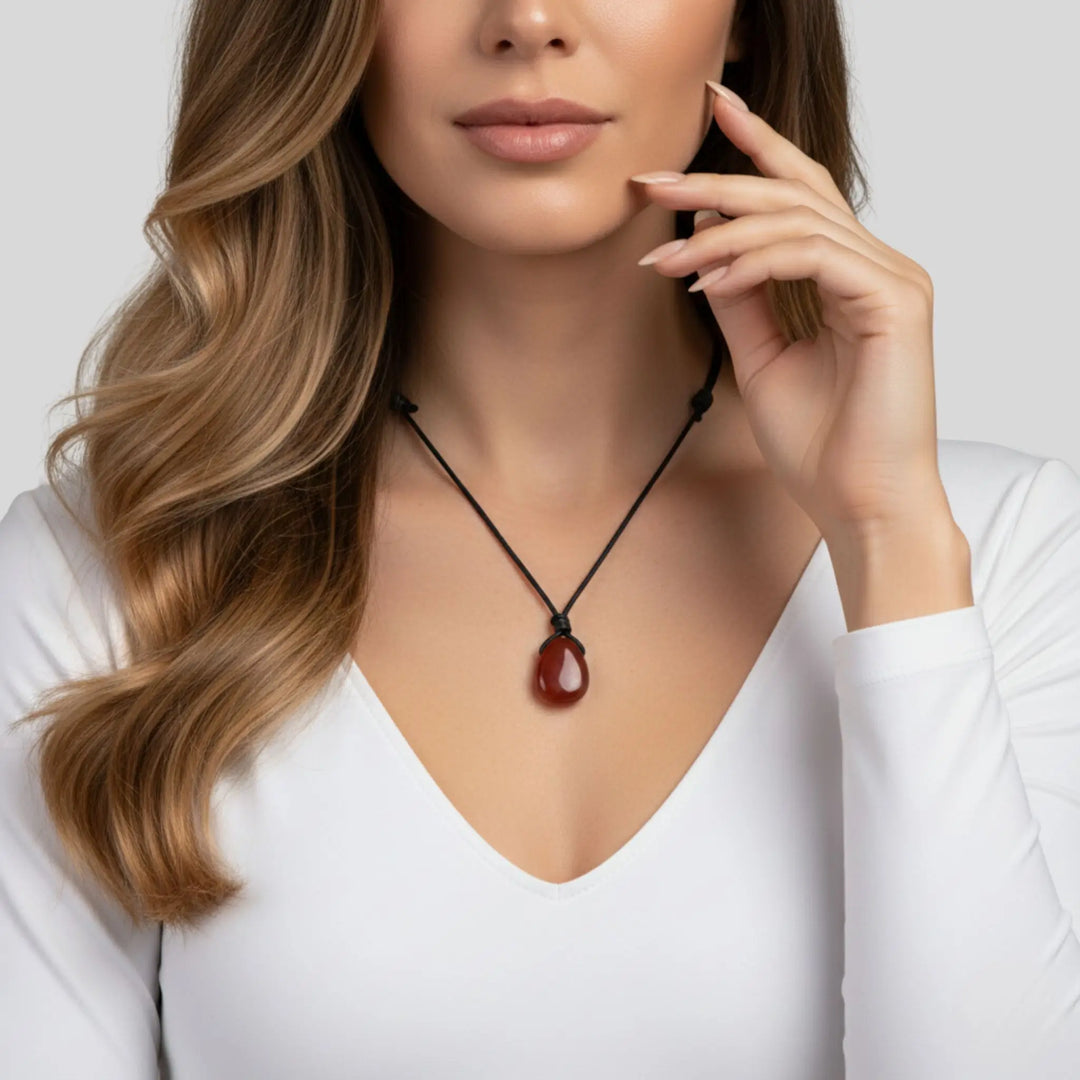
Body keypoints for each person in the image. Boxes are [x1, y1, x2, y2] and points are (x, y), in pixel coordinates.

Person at [2, 1, 1079, 1077]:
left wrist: (888, 541)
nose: (528, 20)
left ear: (747, 19)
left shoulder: (998, 553)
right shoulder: (112, 567)